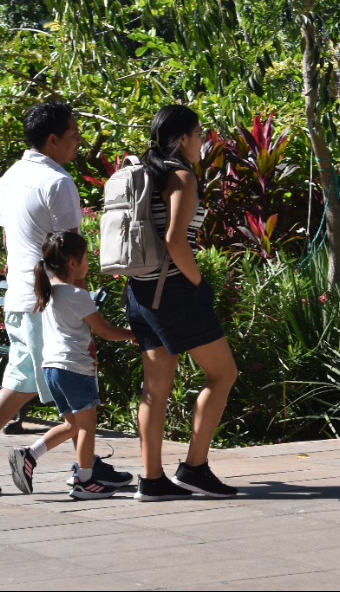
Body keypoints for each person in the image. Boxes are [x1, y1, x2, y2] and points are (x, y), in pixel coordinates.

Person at [0, 100, 131, 496]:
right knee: (71, 384)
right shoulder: (58, 182)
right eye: (74, 136)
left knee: (25, 378)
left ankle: (82, 462)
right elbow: (69, 255)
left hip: (21, 295)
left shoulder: (10, 177)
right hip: (49, 301)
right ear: (52, 139)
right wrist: (83, 309)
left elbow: (13, 239)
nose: (78, 143)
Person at [127, 104, 239, 502]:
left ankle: (152, 479)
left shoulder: (145, 172)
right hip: (173, 290)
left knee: (155, 388)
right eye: (199, 133)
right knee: (223, 374)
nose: (204, 140)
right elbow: (176, 240)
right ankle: (194, 467)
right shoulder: (181, 176)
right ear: (181, 139)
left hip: (139, 291)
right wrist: (197, 283)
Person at [8, 230, 136, 499]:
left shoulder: (49, 292)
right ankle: (85, 482)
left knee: (73, 426)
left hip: (52, 369)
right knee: (87, 426)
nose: (89, 263)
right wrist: (134, 334)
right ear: (73, 263)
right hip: (75, 369)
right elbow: (104, 330)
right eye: (87, 257)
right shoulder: (77, 295)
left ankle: (28, 455)